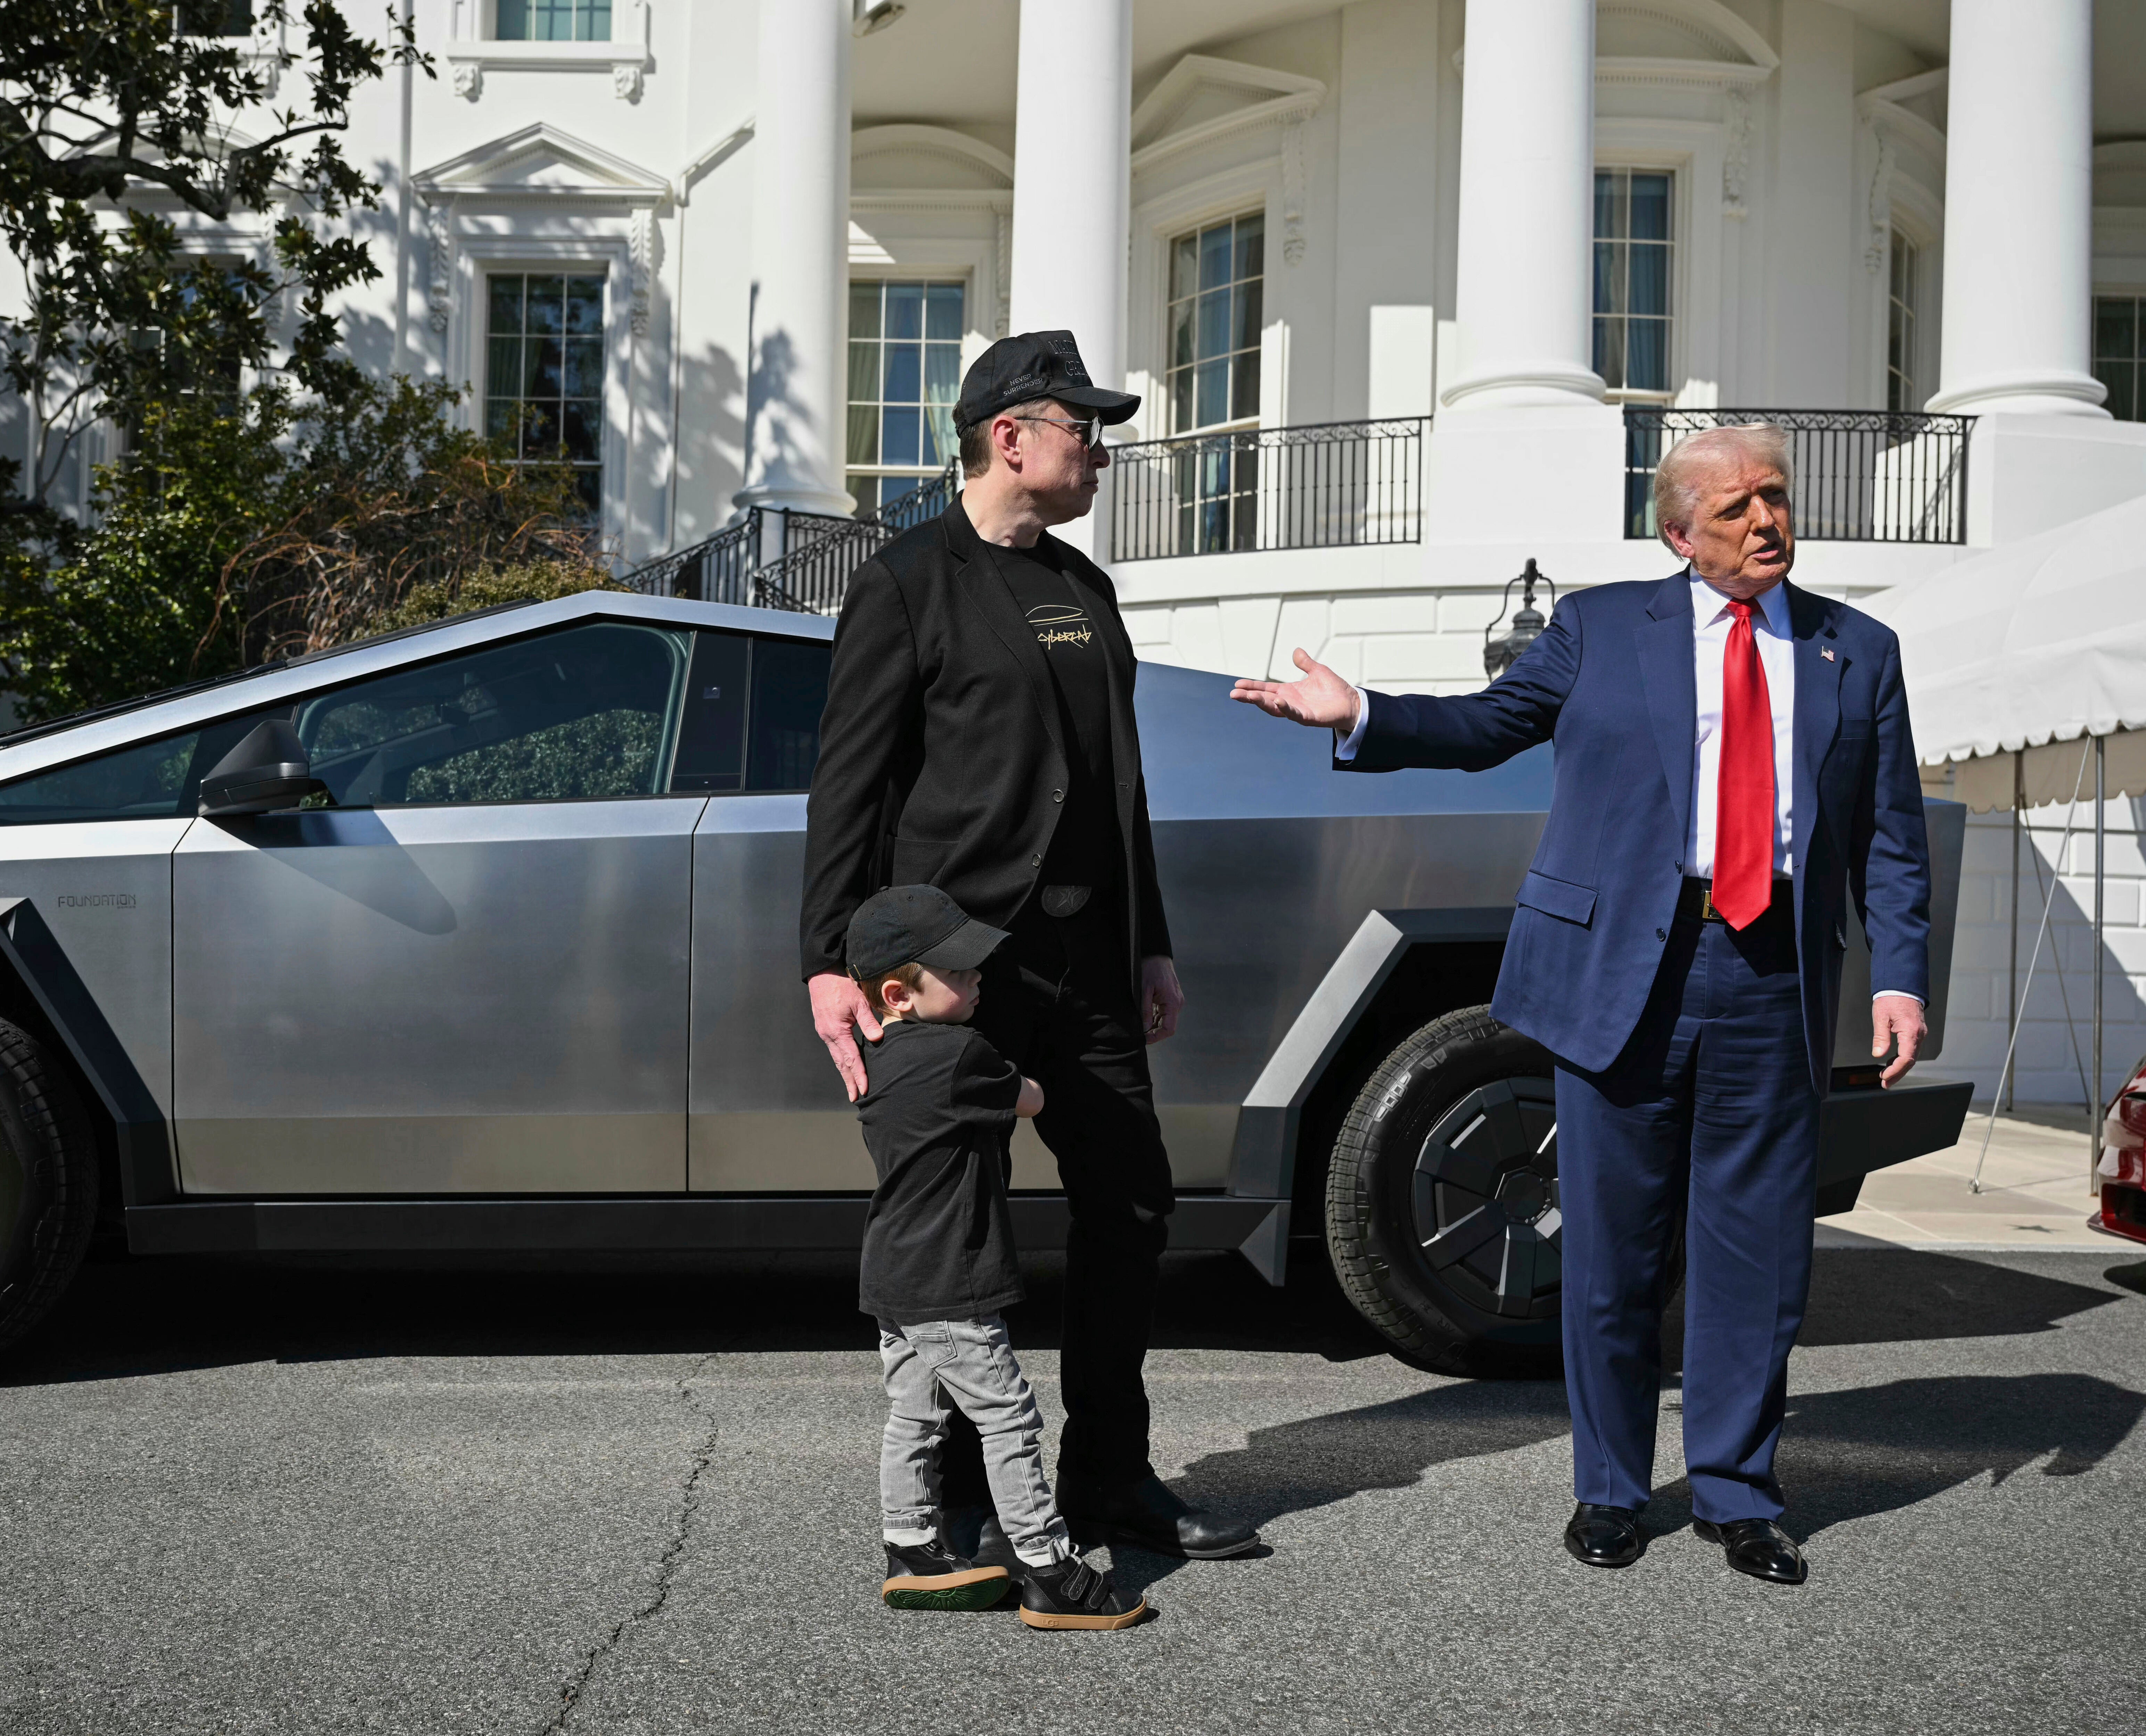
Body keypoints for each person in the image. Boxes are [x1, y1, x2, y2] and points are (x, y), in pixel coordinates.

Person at [1230, 424, 1933, 1587]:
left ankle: (1738, 1492)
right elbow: (1485, 726)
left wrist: (1900, 976)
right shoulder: (1601, 628)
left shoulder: (1855, 648)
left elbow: (1890, 835)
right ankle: (1610, 1487)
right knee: (1612, 1251)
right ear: (1678, 535)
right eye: (1734, 509)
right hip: (1625, 970)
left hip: (1773, 976)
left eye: (1773, 496)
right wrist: (1359, 712)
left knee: (1756, 1256)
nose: (1765, 521)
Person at [801, 329, 1259, 1561]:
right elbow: (848, 788)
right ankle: (963, 1498)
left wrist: (1149, 941)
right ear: (1010, 437)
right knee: (963, 1222)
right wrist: (830, 962)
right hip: (954, 968)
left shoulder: (1083, 588)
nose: (1100, 452)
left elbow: (1119, 784)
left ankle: (1106, 1473)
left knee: (1132, 1201)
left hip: (1090, 957)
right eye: (1082, 430)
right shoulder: (907, 581)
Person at [847, 884, 1149, 1631]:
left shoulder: (873, 1057)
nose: (979, 976)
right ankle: (1048, 1568)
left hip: (892, 1275)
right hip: (953, 1279)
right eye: (958, 971)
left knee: (915, 1416)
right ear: (899, 993)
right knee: (1009, 1418)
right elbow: (1034, 1098)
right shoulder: (962, 1055)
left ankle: (911, 1548)